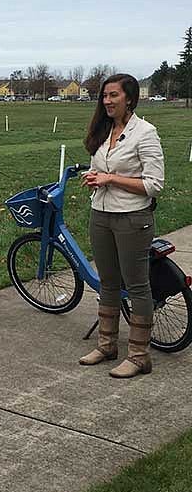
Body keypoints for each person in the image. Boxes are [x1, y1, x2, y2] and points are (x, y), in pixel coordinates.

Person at [79, 73, 164, 378]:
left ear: (130, 98)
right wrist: (93, 178)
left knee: (137, 285)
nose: (107, 101)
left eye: (113, 95)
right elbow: (97, 167)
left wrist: (111, 179)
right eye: (104, 96)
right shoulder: (103, 131)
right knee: (108, 282)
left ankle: (140, 355)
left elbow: (154, 185)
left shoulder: (146, 133)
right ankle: (106, 345)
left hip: (132, 219)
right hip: (100, 214)